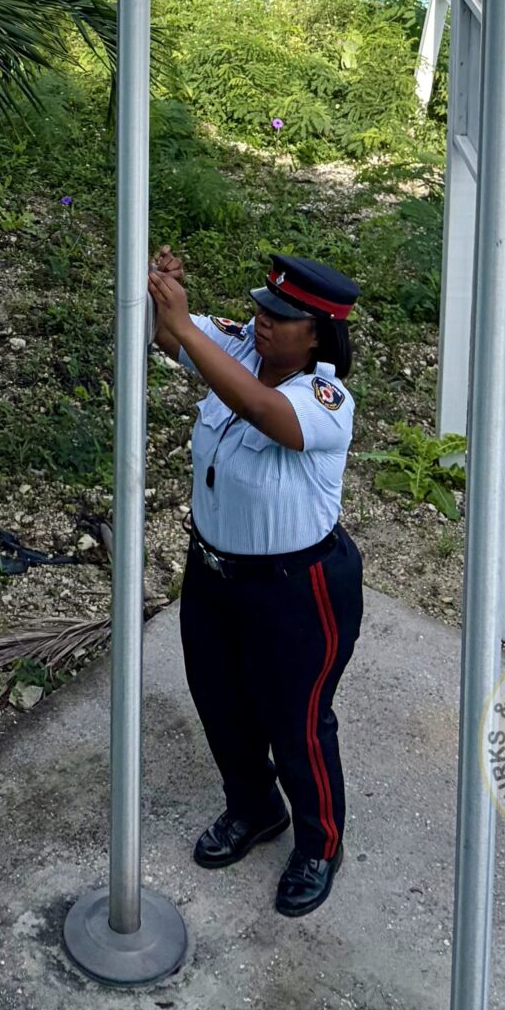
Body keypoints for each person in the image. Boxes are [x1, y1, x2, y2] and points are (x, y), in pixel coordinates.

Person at [147, 245, 364, 918]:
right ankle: (254, 807)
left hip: (296, 587)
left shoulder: (326, 398)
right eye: (263, 307)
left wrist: (185, 331)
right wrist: (163, 296)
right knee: (220, 702)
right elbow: (166, 335)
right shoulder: (238, 346)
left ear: (317, 334)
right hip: (214, 574)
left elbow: (266, 412)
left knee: (296, 720)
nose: (263, 320)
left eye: (282, 316)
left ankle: (319, 845)